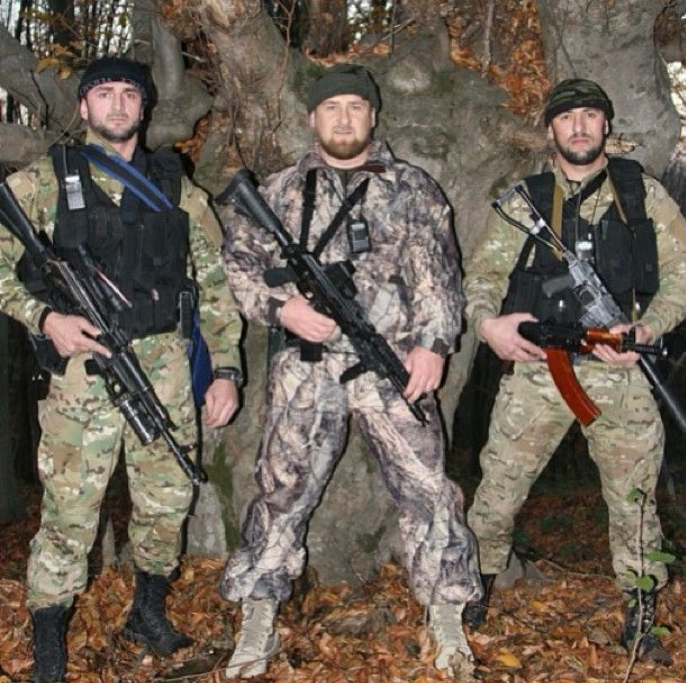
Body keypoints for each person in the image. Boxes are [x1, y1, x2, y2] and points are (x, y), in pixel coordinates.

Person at [219, 64, 482, 678]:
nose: (344, 118)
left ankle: (446, 615)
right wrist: (283, 308)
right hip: (304, 370)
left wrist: (433, 345)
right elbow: (238, 263)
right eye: (332, 107)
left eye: (355, 107)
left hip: (393, 365)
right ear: (313, 117)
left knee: (427, 490)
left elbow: (438, 274)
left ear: (373, 116)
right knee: (282, 491)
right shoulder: (281, 189)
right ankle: (258, 614)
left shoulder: (410, 187)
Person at [0, 56, 244, 682]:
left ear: (144, 106)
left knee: (168, 499)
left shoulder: (175, 187)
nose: (116, 105)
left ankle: (147, 613)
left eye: (128, 94)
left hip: (164, 368)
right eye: (103, 93)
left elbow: (214, 284)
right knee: (69, 513)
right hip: (82, 372)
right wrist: (43, 317)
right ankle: (49, 642)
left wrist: (225, 369)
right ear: (83, 106)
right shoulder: (46, 180)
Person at [462, 78, 686, 665]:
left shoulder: (642, 196)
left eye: (590, 115)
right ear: (550, 130)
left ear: (606, 125)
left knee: (635, 501)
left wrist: (646, 329)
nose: (579, 127)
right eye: (567, 118)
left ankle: (641, 614)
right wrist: (489, 325)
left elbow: (682, 275)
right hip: (540, 369)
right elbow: (482, 276)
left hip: (619, 372)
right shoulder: (526, 201)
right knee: (498, 490)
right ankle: (473, 590)